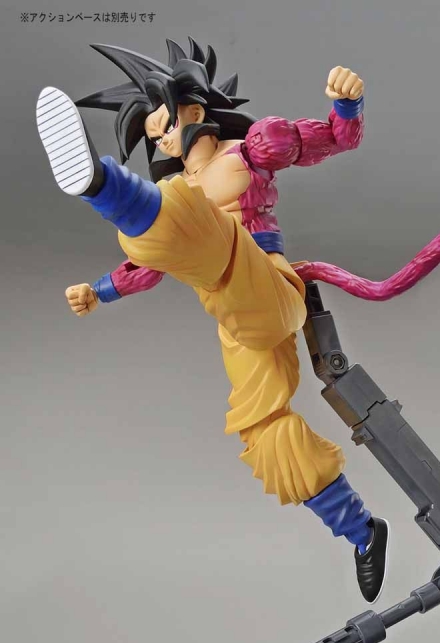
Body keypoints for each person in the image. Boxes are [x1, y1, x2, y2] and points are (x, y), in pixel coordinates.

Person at [37, 39, 389, 603]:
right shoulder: (181, 196)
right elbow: (148, 266)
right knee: (265, 433)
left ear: (194, 110)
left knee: (191, 220)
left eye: (164, 125)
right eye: (152, 136)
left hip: (266, 281)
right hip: (231, 312)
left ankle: (102, 185)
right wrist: (97, 292)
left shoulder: (251, 150)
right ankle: (363, 532)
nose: (161, 140)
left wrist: (348, 105)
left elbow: (337, 138)